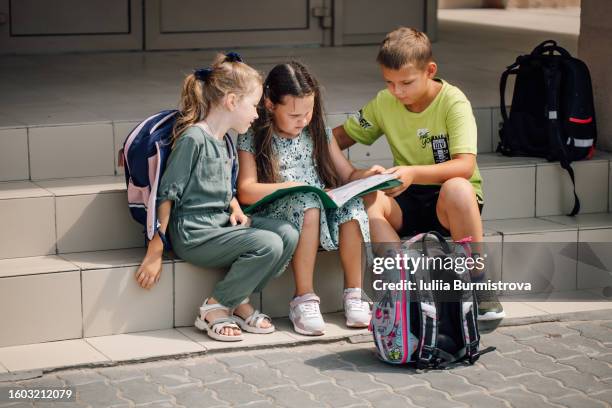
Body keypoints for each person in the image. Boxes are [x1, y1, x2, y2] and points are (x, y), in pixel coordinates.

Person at [332, 27, 505, 321]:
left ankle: (479, 285)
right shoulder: (384, 102)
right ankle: (406, 286)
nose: (397, 92)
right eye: (389, 82)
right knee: (370, 200)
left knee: (458, 187)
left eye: (406, 83)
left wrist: (413, 172)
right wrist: (351, 171)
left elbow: (465, 165)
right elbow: (337, 138)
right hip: (406, 196)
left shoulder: (454, 101)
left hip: (448, 203)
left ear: (430, 70)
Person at [135, 53, 299, 342]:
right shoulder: (193, 139)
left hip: (220, 224)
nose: (257, 114)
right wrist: (155, 250)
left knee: (287, 233)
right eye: (254, 106)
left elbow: (221, 185)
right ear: (232, 101)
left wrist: (234, 205)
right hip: (195, 233)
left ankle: (237, 300)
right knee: (268, 243)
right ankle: (214, 307)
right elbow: (167, 194)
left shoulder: (224, 140)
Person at [237, 61, 383, 335]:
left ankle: (354, 294)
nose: (303, 121)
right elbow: (245, 189)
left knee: (351, 204)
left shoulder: (316, 132)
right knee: (308, 201)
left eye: (309, 112)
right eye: (294, 115)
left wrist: (368, 175)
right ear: (270, 105)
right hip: (281, 211)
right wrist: (291, 187)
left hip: (317, 207)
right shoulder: (252, 136)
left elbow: (347, 173)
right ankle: (303, 298)